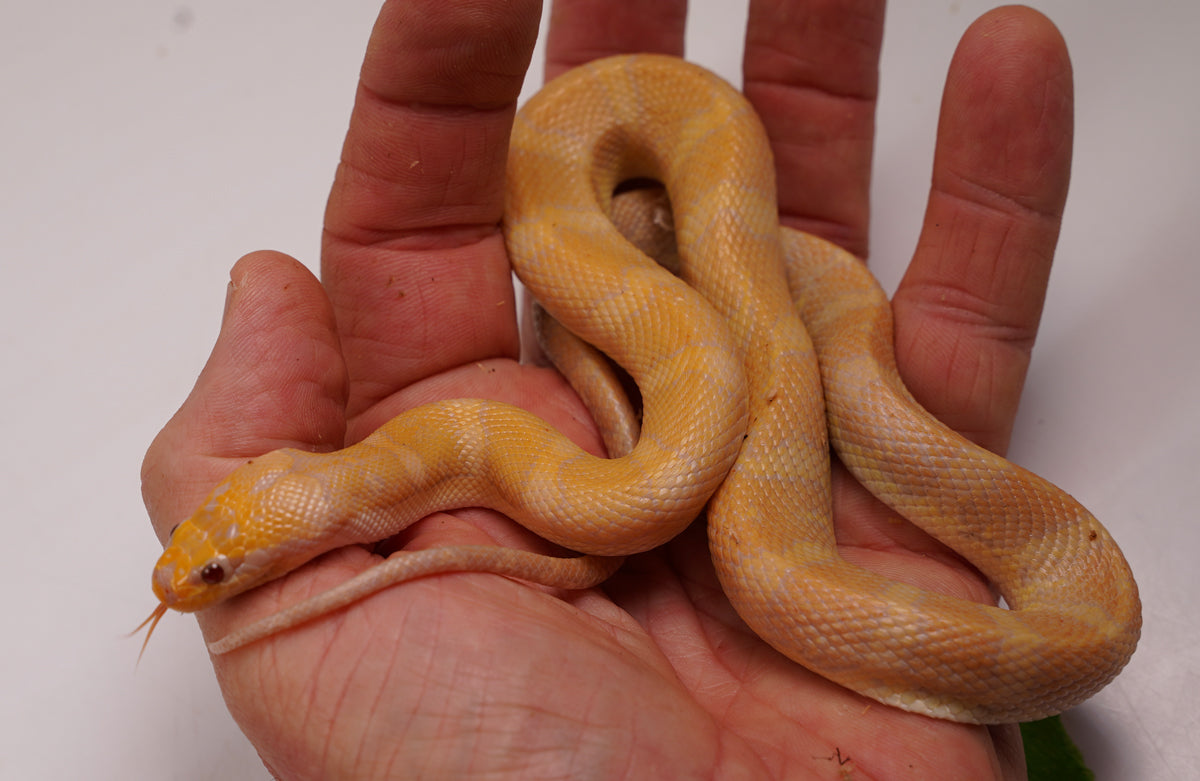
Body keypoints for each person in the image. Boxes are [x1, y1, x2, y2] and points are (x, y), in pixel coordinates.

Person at [141, 1, 1073, 778]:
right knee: (742, 332)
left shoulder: (433, 459)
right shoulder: (445, 460)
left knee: (754, 325)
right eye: (218, 566)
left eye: (217, 569)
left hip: (679, 337)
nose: (195, 577)